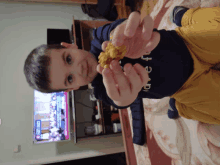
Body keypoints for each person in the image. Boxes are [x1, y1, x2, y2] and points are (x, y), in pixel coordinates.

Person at [24, 6, 220, 144]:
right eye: (70, 78)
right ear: (73, 88)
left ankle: (186, 17)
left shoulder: (101, 38)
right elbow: (121, 101)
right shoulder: (103, 91)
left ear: (70, 45)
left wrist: (121, 34)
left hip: (187, 44)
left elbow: (114, 30)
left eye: (68, 59)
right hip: (184, 88)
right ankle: (181, 106)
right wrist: (125, 98)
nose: (79, 69)